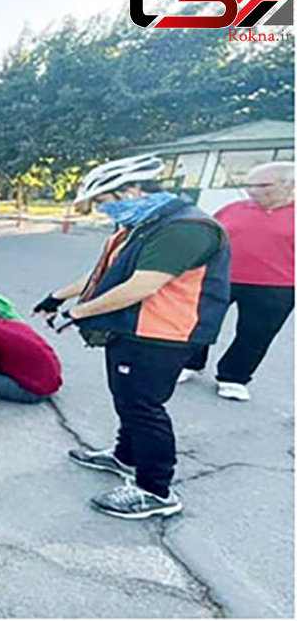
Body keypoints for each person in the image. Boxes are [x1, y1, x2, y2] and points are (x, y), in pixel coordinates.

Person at [34, 154, 230, 520]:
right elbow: (106, 273)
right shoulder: (142, 224)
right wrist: (60, 295)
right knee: (126, 398)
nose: (102, 212)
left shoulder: (185, 228)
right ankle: (125, 456)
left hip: (161, 333)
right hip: (132, 327)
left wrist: (76, 313)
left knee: (144, 407)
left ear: (131, 191)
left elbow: (141, 285)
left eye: (104, 203)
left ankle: (155, 491)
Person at [179, 161, 294, 401]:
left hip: (276, 286)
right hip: (221, 277)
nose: (252, 190)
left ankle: (233, 377)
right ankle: (190, 362)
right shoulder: (233, 208)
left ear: (289, 184)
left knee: (255, 334)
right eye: (249, 184)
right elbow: (208, 237)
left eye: (262, 185)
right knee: (199, 321)